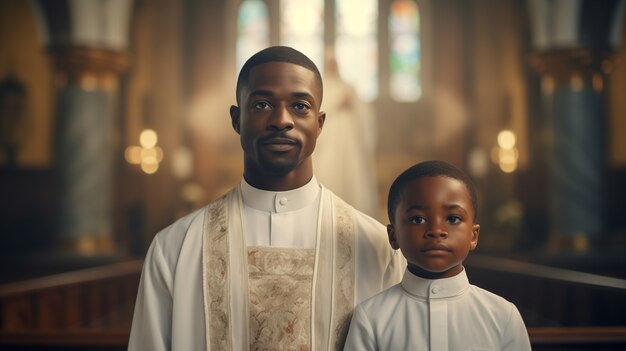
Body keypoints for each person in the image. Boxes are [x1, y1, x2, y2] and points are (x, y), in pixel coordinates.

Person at [128, 46, 405, 350]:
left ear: (320, 123)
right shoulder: (175, 249)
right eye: (261, 105)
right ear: (237, 119)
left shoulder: (378, 249)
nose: (281, 120)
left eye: (300, 106)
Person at [343, 160, 531, 350]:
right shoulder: (371, 317)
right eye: (418, 219)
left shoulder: (503, 316)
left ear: (473, 236)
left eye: (452, 218)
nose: (436, 230)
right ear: (393, 236)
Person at [313, 50, 379, 217]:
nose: (332, 66)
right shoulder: (320, 88)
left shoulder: (348, 87)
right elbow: (316, 113)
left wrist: (354, 104)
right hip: (329, 145)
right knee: (329, 174)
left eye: (334, 63)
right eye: (330, 63)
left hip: (349, 145)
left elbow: (365, 114)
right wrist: (337, 103)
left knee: (352, 179)